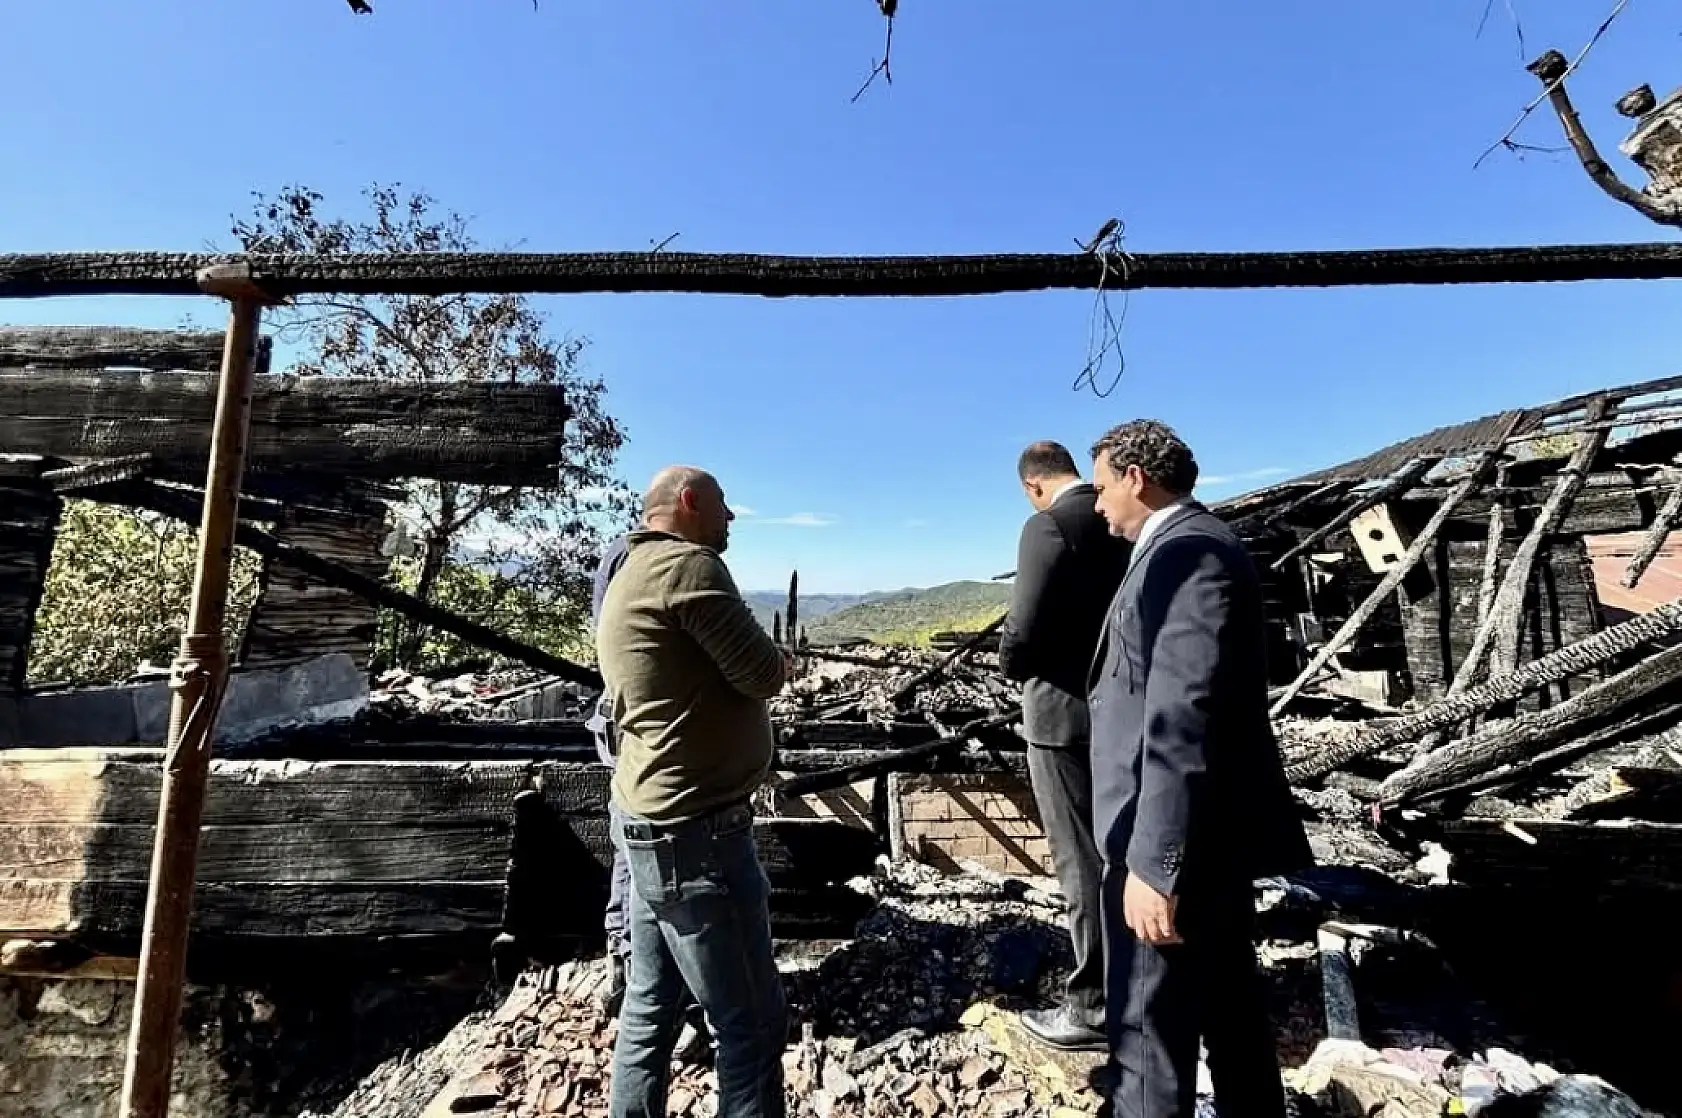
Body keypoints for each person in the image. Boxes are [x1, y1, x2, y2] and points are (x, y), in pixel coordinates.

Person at [1085, 420, 1312, 1118]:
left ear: (1134, 476)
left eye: (1100, 489)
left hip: (1181, 851)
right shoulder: (1190, 548)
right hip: (1207, 843)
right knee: (1233, 1018)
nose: (1096, 507)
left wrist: (1155, 866)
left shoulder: (1189, 555)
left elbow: (1183, 714)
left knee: (1148, 1046)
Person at [599, 465, 791, 1118]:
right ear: (687, 503)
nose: (731, 517)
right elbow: (764, 673)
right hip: (697, 834)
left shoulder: (629, 571)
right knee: (752, 1024)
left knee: (651, 1000)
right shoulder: (688, 568)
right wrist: (779, 661)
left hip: (652, 820)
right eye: (722, 506)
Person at [997, 441, 1131, 1052]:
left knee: (1080, 861)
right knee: (1126, 852)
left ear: (1032, 485)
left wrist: (1011, 665)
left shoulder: (1048, 525)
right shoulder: (1125, 520)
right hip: (1123, 713)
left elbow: (1023, 627)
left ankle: (1093, 1008)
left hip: (1059, 718)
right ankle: (1140, 988)